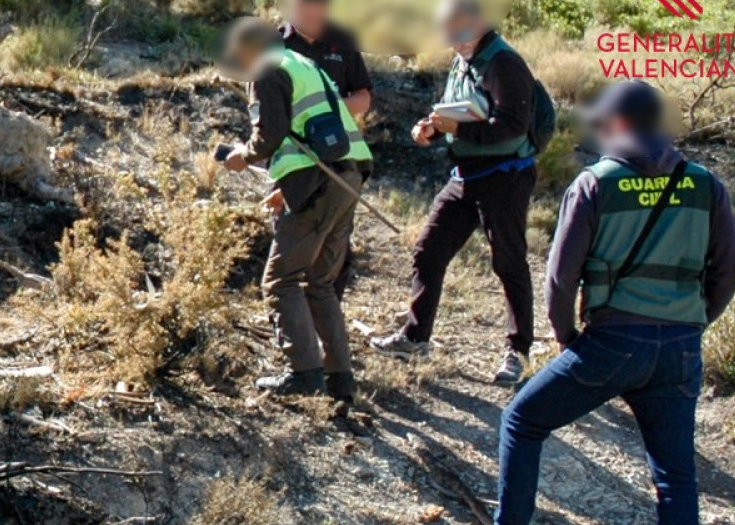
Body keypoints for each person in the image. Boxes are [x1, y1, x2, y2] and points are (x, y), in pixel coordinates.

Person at [494, 80, 735, 525]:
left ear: (621, 123)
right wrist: (694, 322)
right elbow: (728, 272)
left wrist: (567, 336)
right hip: (680, 347)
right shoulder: (707, 184)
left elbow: (560, 277)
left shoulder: (594, 183)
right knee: (675, 476)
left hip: (611, 341)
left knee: (521, 422)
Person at [370, 0, 539, 383]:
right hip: (466, 174)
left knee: (508, 261)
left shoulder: (503, 63)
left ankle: (519, 352)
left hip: (505, 176)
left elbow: (513, 126)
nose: (446, 31)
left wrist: (456, 129)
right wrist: (430, 127)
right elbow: (456, 110)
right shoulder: (462, 60)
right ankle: (415, 338)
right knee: (429, 250)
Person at [217, 16, 373, 402]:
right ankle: (340, 378)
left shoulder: (267, 70)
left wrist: (242, 157)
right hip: (349, 176)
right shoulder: (304, 65)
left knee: (281, 280)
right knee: (320, 282)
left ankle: (303, 372)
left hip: (319, 182)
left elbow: (269, 137)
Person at [280, 0, 375, 300]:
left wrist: (329, 112)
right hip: (293, 162)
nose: (315, 9)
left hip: (340, 160)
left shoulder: (343, 40)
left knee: (336, 251)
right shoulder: (273, 44)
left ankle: (326, 317)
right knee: (289, 244)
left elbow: (363, 97)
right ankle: (295, 325)